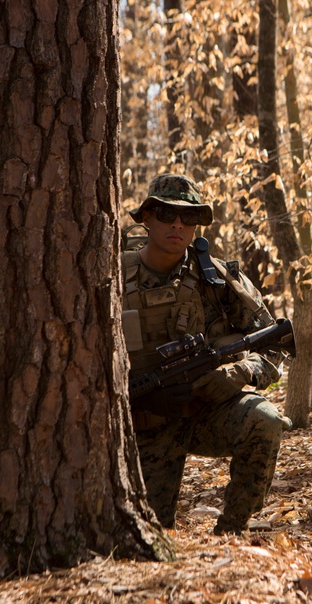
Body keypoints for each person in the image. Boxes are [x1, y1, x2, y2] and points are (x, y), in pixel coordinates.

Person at [121, 174, 288, 535]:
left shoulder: (217, 279)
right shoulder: (114, 276)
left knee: (265, 420)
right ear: (147, 217)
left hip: (206, 411)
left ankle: (231, 533)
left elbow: (274, 342)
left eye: (189, 217)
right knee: (149, 535)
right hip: (142, 423)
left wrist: (239, 373)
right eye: (166, 214)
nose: (177, 224)